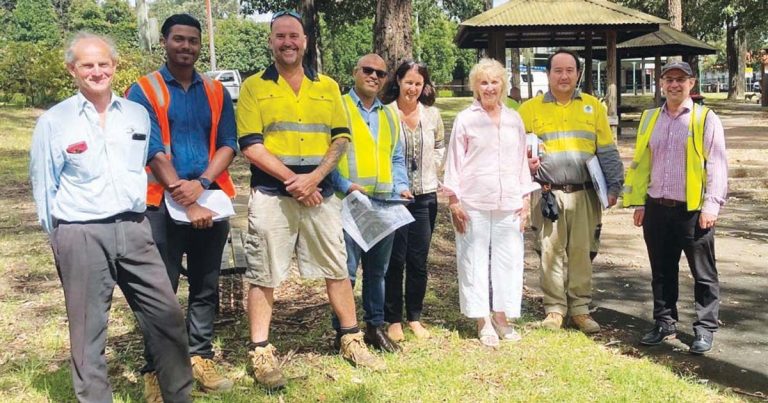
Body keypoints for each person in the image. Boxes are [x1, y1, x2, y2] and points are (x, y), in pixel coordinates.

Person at [29, 32, 193, 402]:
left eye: (104, 63)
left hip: (136, 229)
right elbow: (44, 188)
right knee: (89, 333)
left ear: (115, 66)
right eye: (87, 65)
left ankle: (179, 396)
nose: (97, 71)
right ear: (73, 69)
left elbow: (142, 168)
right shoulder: (55, 122)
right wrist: (60, 239)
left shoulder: (136, 115)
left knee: (167, 319)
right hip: (81, 233)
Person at [235, 10, 385, 390]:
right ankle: (261, 351)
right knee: (264, 272)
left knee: (337, 267)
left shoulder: (328, 86)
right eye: (280, 36)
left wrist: (315, 179)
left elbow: (341, 138)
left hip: (321, 194)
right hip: (272, 194)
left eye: (294, 36)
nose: (288, 42)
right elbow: (250, 145)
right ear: (271, 41)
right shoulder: (254, 86)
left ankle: (350, 339)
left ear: (304, 41)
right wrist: (293, 181)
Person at [126, 14, 237, 398]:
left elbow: (228, 143)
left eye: (193, 41)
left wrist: (203, 184)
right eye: (179, 40)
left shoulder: (215, 91)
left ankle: (199, 355)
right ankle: (154, 369)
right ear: (164, 42)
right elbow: (150, 148)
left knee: (206, 284)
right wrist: (182, 195)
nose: (186, 47)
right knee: (161, 290)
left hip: (210, 199)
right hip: (161, 204)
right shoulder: (144, 90)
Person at [623, 61, 727, 355]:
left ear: (692, 84)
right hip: (656, 208)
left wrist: (711, 206)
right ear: (661, 83)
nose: (674, 85)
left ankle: (705, 329)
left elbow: (717, 165)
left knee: (703, 274)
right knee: (662, 271)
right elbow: (643, 163)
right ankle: (664, 323)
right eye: (669, 79)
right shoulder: (650, 118)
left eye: (681, 79)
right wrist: (641, 203)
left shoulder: (705, 119)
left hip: (693, 211)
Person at [517, 49, 624, 334]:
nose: (563, 76)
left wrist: (614, 187)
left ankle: (580, 308)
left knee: (582, 252)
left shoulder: (593, 107)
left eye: (569, 70)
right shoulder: (529, 110)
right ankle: (554, 309)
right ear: (548, 74)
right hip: (548, 193)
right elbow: (514, 153)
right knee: (549, 251)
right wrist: (524, 166)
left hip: (586, 194)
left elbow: (608, 151)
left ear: (578, 74)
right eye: (557, 70)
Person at [443, 58, 538, 347]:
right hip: (473, 202)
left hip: (509, 200)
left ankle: (501, 316)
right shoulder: (466, 119)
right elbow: (454, 163)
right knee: (473, 261)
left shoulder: (514, 119)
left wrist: (525, 200)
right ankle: (482, 319)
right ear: (475, 87)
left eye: (494, 82)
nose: (489, 87)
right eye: (483, 82)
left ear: (503, 86)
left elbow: (522, 161)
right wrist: (454, 201)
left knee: (508, 262)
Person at [330, 54, 411, 353]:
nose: (374, 76)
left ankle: (374, 328)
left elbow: (397, 157)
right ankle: (342, 332)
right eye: (368, 70)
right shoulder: (338, 106)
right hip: (348, 203)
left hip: (383, 205)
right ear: (355, 72)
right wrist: (343, 186)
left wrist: (401, 186)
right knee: (346, 272)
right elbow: (327, 155)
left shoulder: (390, 114)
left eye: (380, 73)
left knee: (378, 271)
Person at [379, 60, 445, 341]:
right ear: (398, 81)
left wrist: (433, 168)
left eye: (418, 83)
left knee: (418, 261)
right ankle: (393, 319)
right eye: (409, 82)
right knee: (395, 260)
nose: (413, 88)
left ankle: (414, 317)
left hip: (425, 198)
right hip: (395, 199)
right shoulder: (386, 113)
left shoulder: (432, 115)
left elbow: (440, 146)